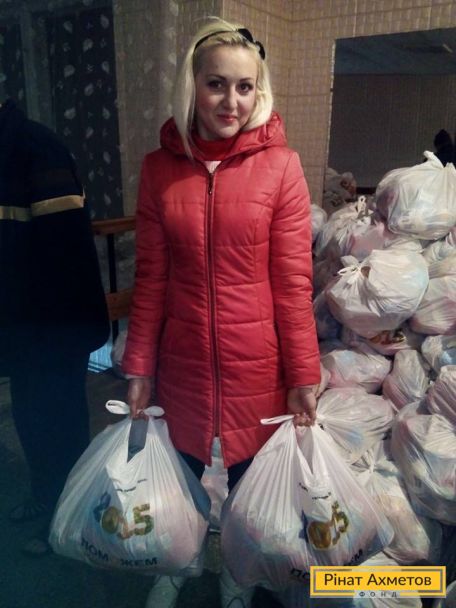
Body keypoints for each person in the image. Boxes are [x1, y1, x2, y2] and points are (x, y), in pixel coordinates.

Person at [121, 17, 321, 608]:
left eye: (244, 86)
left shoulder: (282, 167)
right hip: (181, 360)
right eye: (216, 84)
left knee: (248, 486)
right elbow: (150, 278)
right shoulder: (159, 169)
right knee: (178, 474)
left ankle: (238, 574)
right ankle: (175, 564)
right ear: (192, 86)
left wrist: (303, 374)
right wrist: (139, 365)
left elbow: (293, 283)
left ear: (259, 92)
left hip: (257, 364)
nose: (231, 101)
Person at [0, 99, 109, 556]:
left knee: (60, 422)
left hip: (53, 326)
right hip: (19, 325)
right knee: (29, 415)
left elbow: (68, 255)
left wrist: (58, 338)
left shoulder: (36, 147)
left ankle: (69, 520)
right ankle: (47, 495)